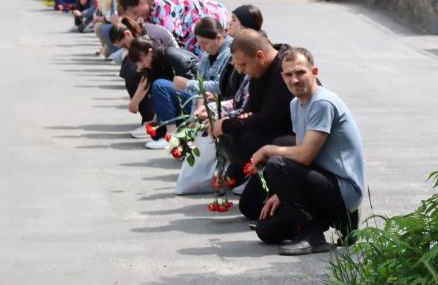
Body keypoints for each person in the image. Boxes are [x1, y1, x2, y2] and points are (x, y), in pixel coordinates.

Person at [244, 47, 366, 256]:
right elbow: (302, 157)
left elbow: (305, 155)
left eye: (300, 73)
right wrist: (282, 194)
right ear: (282, 76)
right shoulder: (295, 104)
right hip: (323, 182)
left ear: (314, 72)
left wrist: (268, 149)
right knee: (267, 231)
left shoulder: (322, 103)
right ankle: (343, 221)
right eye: (289, 74)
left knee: (276, 163)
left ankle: (313, 235)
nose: (294, 80)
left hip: (344, 188)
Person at [210, 29, 295, 185]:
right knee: (233, 134)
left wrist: (228, 124)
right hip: (279, 129)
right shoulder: (261, 69)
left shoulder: (284, 70)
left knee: (245, 140)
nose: (241, 70)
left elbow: (269, 119)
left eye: (243, 65)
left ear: (260, 56)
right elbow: (252, 108)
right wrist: (226, 121)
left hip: (303, 139)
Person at [126, 36, 198, 149]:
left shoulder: (171, 55)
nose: (139, 66)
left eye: (140, 61)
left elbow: (192, 85)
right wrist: (157, 120)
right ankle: (170, 132)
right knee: (157, 133)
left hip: (197, 100)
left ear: (149, 52)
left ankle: (171, 136)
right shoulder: (154, 64)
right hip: (184, 100)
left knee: (159, 85)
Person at [117, 0, 228, 55]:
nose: (137, 17)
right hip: (195, 27)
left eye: (136, 12)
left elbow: (171, 40)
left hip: (210, 21)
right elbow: (152, 35)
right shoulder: (152, 4)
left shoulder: (162, 6)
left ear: (142, 2)